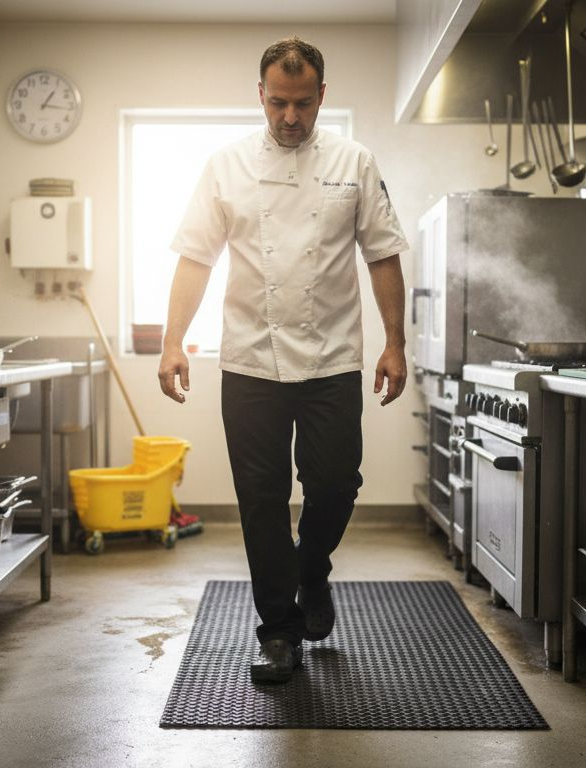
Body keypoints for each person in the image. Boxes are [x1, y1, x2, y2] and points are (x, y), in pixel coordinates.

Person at [158, 37, 408, 684]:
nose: (289, 117)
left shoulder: (355, 161)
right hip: (248, 360)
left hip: (331, 358)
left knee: (335, 483)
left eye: (302, 104)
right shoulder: (226, 165)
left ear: (322, 96)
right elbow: (195, 259)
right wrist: (171, 341)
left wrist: (395, 342)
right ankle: (278, 632)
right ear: (260, 95)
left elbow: (382, 255)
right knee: (260, 499)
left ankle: (312, 569)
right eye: (277, 103)